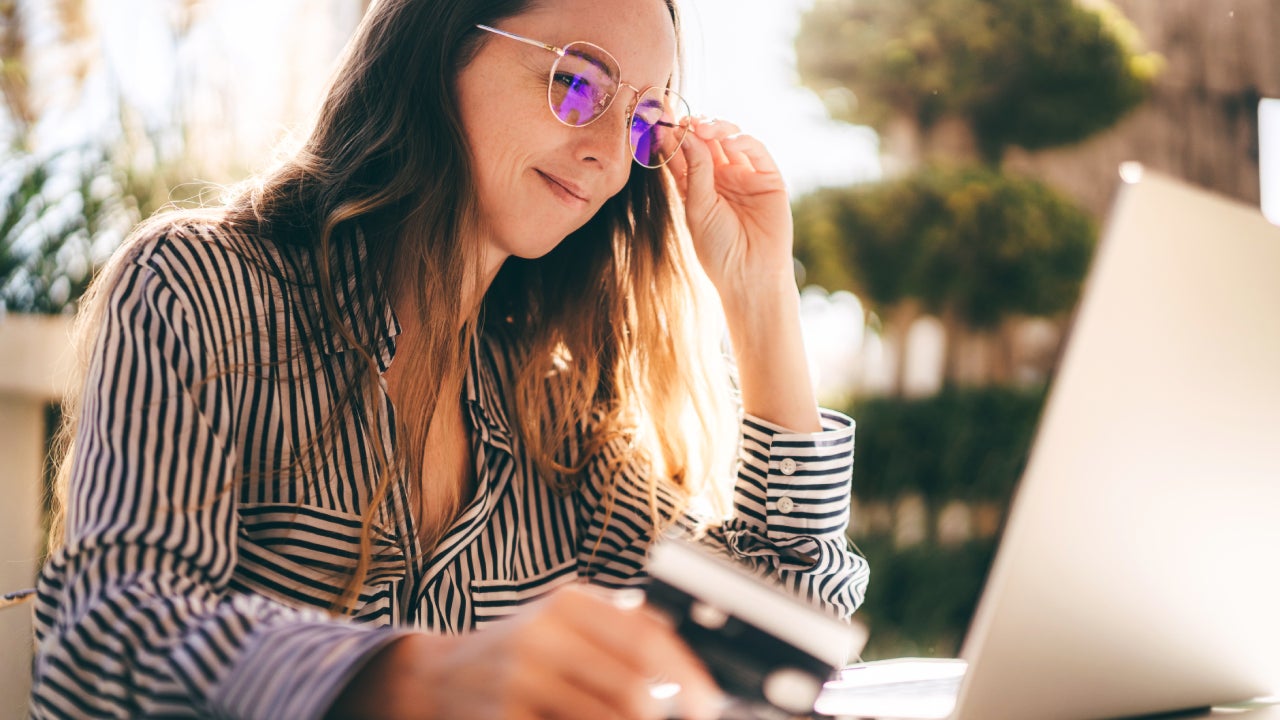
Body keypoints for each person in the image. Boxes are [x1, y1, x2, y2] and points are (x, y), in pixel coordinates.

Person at [30, 0, 870, 717]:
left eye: (645, 122)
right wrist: (419, 675)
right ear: (442, 46)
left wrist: (759, 299)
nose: (611, 157)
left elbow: (776, 661)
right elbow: (105, 645)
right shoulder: (202, 287)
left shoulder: (561, 405)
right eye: (577, 82)